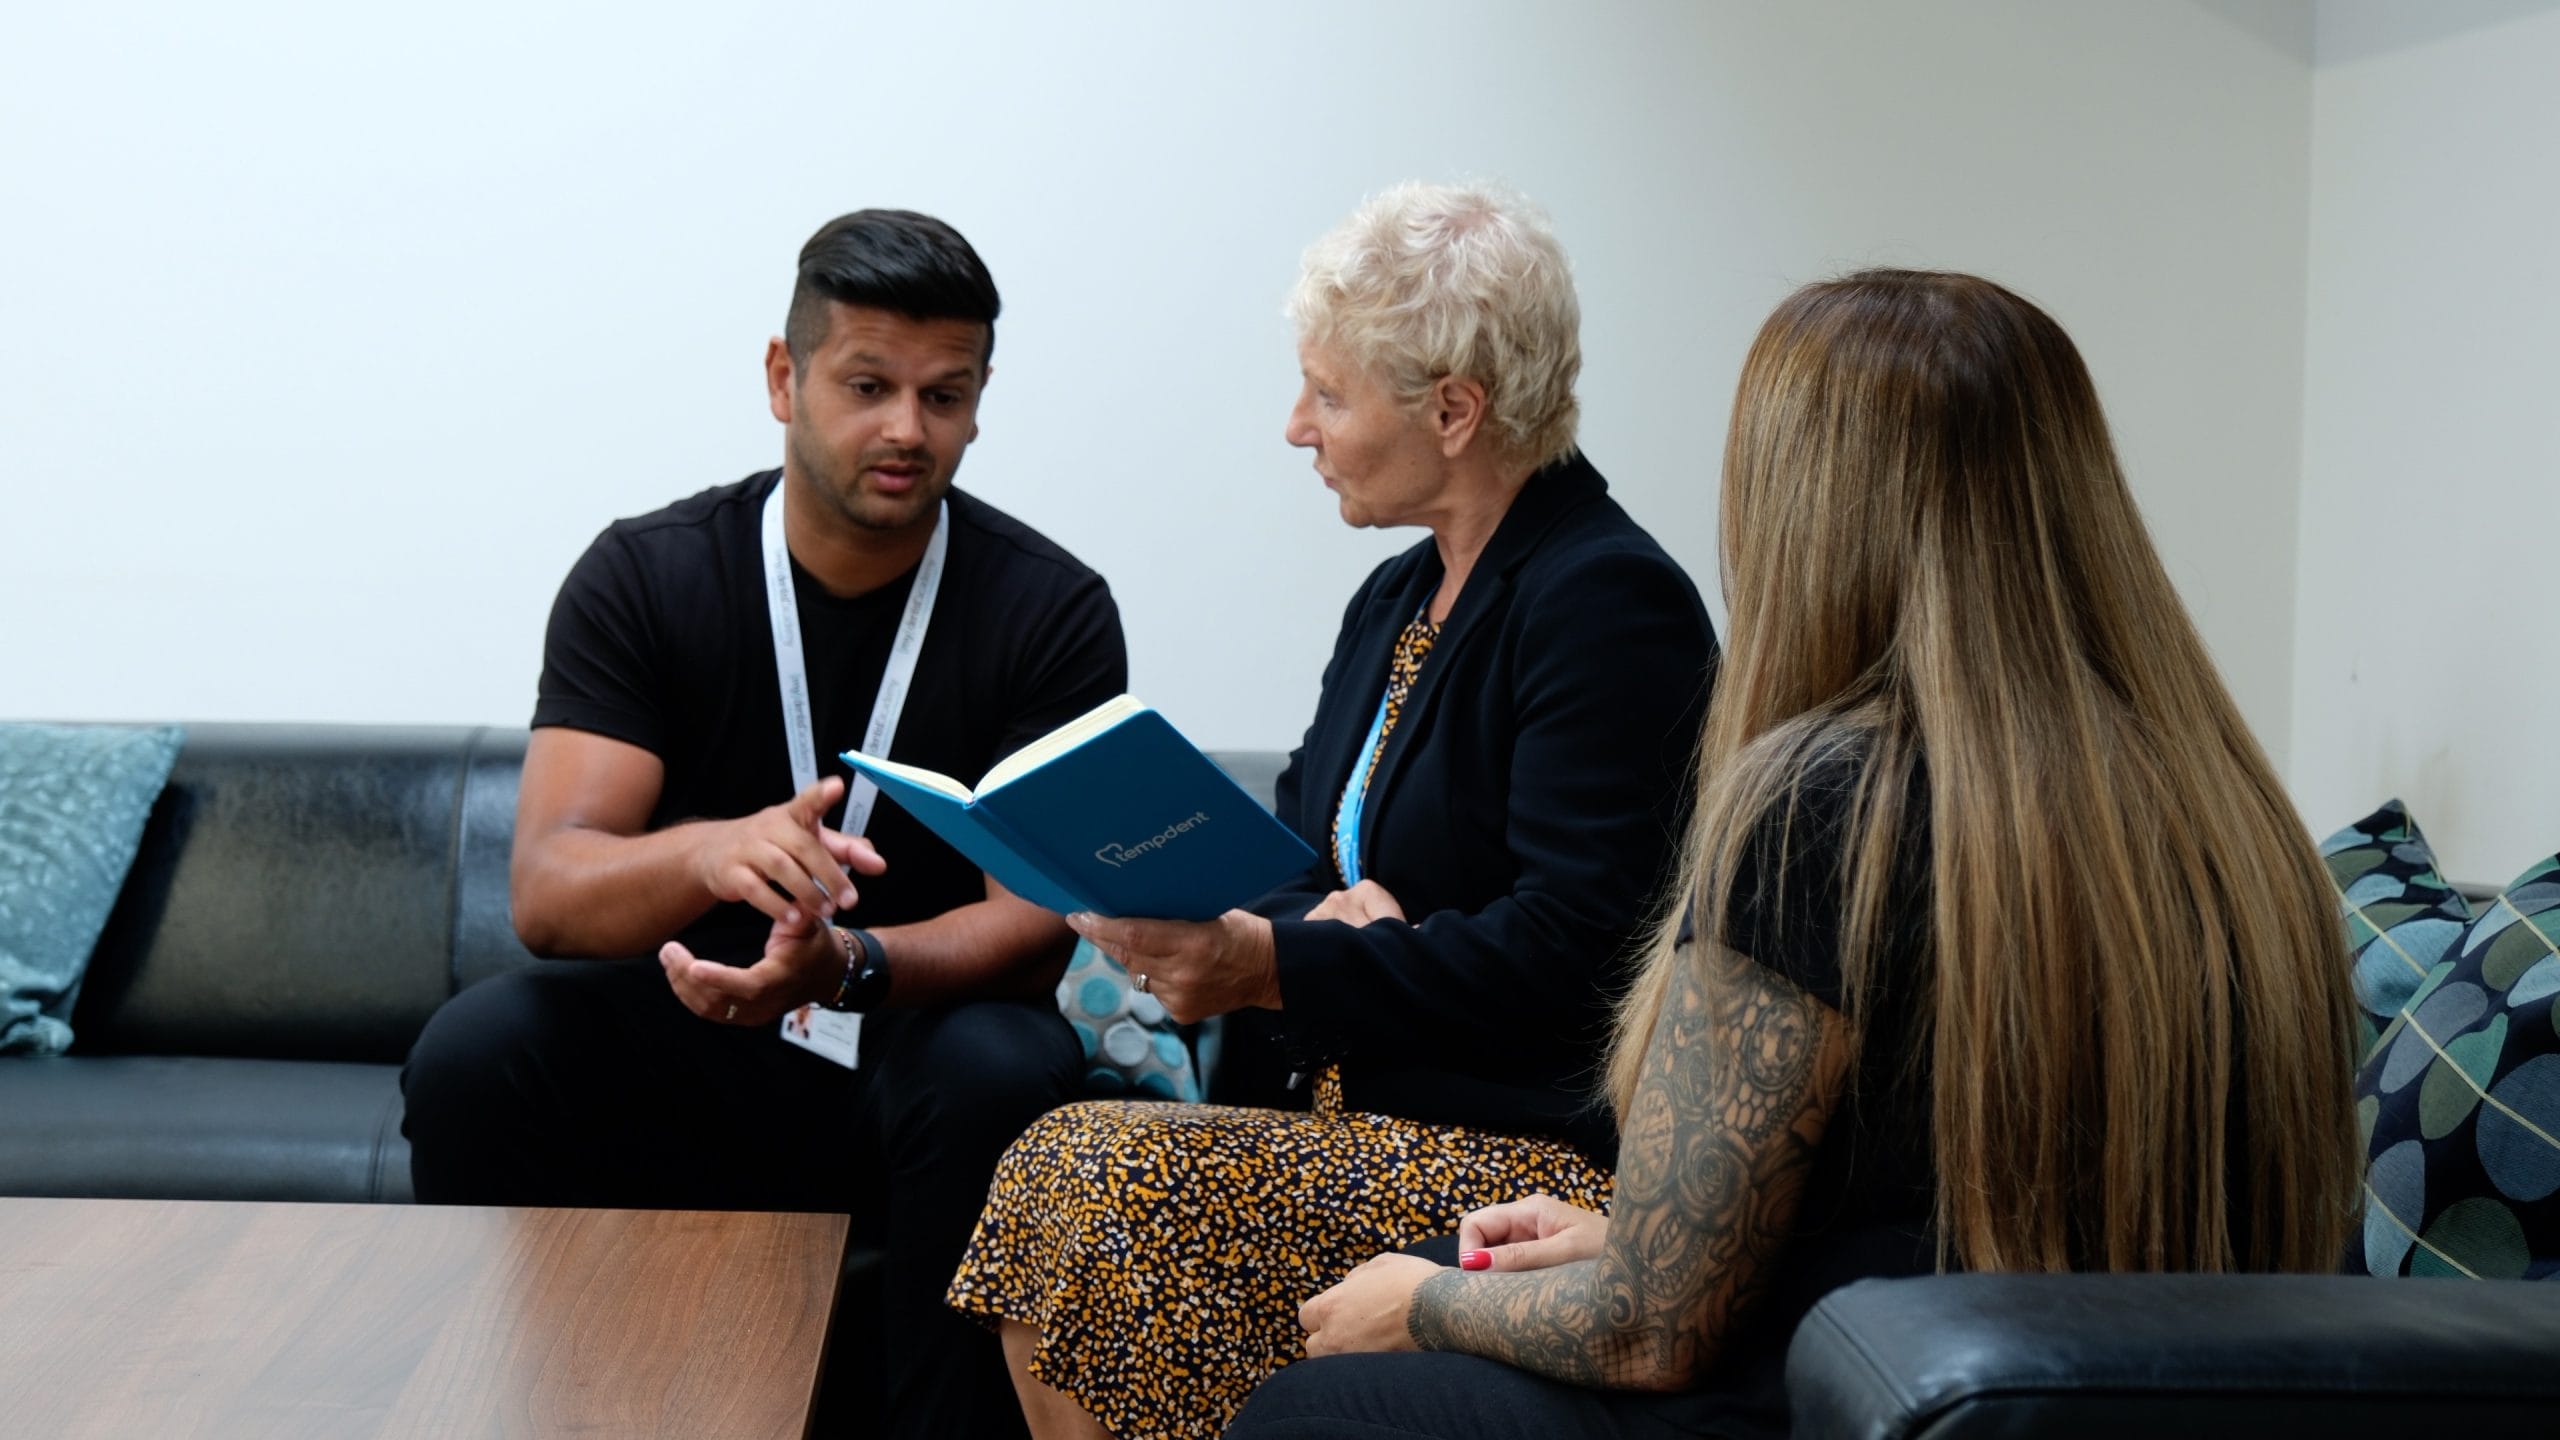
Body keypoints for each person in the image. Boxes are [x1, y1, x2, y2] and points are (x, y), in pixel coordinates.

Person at [1236, 269, 2363, 1440]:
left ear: (1801, 509)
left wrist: (1426, 1307)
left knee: (1315, 1404)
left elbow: (1648, 1330)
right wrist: (1627, 1240)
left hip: (1868, 1394)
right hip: (2113, 1398)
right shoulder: (2228, 803)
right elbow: (1950, 1217)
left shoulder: (1820, 806)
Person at [944, 183, 1721, 1440]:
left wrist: (1287, 961)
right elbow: (1289, 853)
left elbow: (1583, 951)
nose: (1296, 427)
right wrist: (1315, 927)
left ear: (1454, 412)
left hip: (1524, 1164)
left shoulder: (1605, 600)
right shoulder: (1395, 598)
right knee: (1059, 1176)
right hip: (1348, 1117)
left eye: (1329, 394)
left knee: (1074, 1173)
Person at [398, 209, 1126, 1440]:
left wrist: (851, 964)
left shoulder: (1049, 610)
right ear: (785, 379)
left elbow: (1037, 921)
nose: (908, 429)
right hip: (694, 1018)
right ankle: (521, 1414)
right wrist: (709, 849)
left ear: (979, 402)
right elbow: (549, 891)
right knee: (478, 1051)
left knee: (1004, 1066)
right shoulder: (646, 575)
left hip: (912, 1033)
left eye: (945, 395)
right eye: (868, 385)